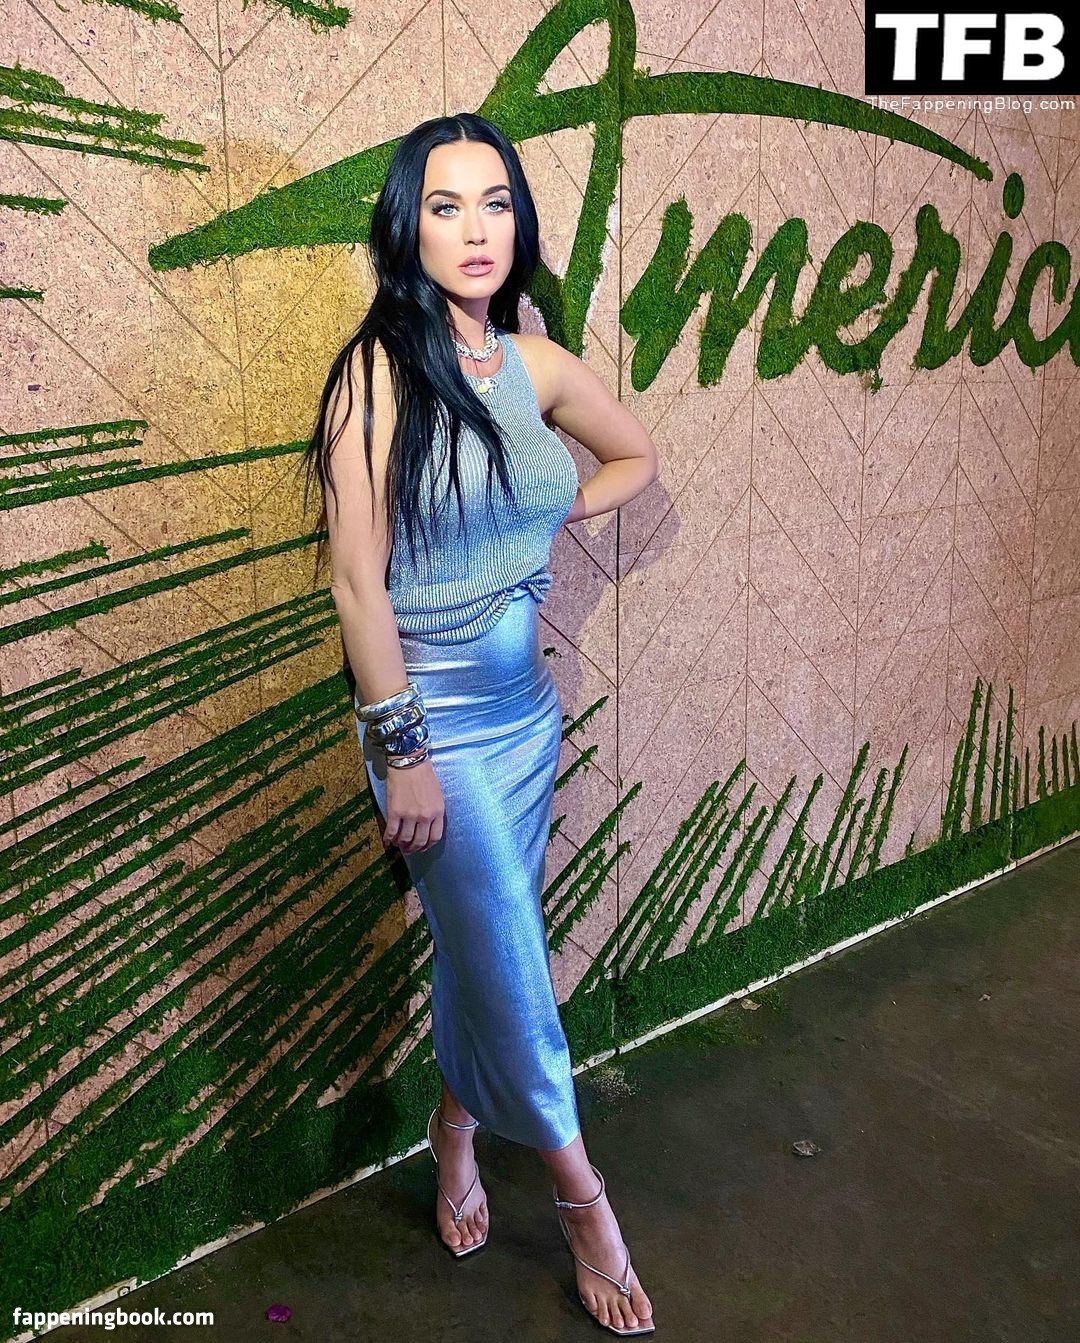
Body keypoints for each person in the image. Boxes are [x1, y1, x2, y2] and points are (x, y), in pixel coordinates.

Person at [300, 112, 659, 1336]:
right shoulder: (377, 373)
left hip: (524, 716)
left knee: (485, 948)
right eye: (446, 205)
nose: (475, 229)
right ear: (407, 226)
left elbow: (633, 457)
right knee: (510, 955)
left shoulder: (536, 364)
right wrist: (401, 752)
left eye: (495, 202)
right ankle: (584, 1201)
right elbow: (358, 585)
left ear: (520, 220)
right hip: (432, 724)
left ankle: (454, 1128)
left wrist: (546, 520)